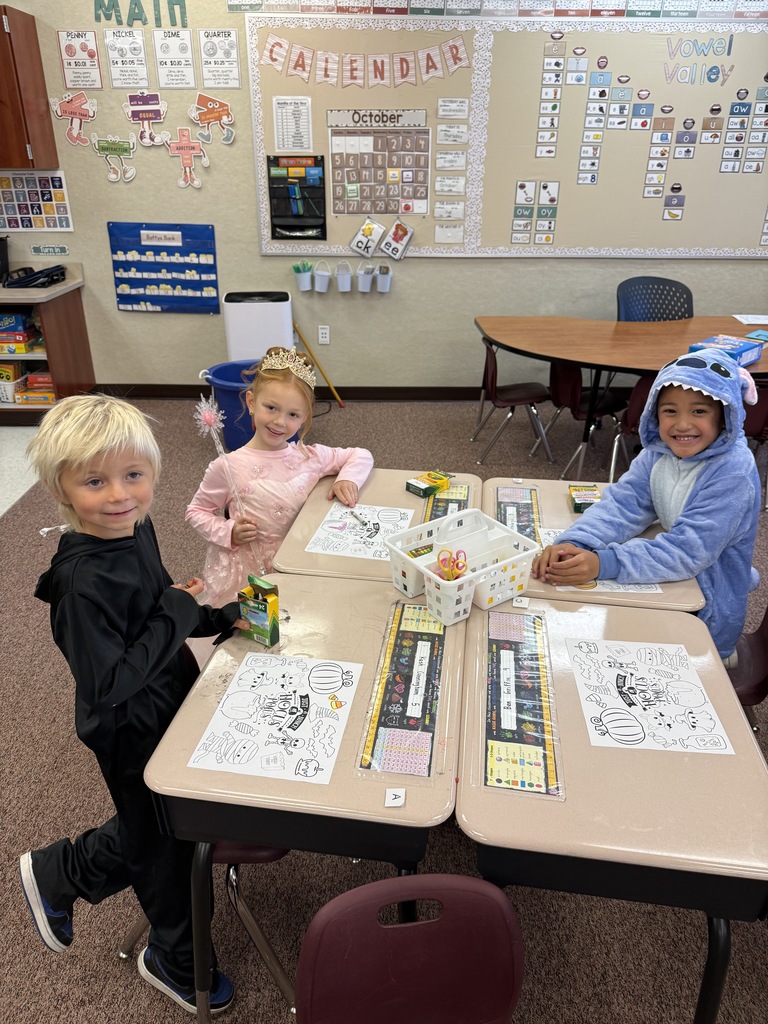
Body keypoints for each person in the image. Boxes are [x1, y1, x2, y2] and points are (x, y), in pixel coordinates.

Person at [19, 394, 245, 1015]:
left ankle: (64, 871)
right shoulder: (81, 585)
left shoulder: (134, 530)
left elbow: (159, 608)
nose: (120, 495)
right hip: (127, 723)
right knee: (164, 845)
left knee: (166, 822)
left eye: (133, 476)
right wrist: (175, 610)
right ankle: (173, 961)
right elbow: (108, 682)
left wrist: (217, 615)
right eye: (95, 481)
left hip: (165, 691)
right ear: (62, 489)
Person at [531, 349, 761, 662]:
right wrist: (576, 542)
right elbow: (623, 505)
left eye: (698, 412)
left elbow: (687, 551)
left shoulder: (733, 472)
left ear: (724, 414)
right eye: (669, 411)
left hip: (707, 613)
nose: (681, 425)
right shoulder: (658, 452)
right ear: (655, 413)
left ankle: (726, 664)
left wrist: (603, 563)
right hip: (674, 585)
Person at [186, 346, 374, 605]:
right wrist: (228, 531)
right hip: (250, 573)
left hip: (300, 560)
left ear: (304, 417)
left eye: (293, 415)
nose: (280, 422)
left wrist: (347, 478)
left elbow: (361, 455)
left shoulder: (310, 456)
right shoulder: (227, 466)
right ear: (252, 403)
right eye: (271, 408)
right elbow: (196, 512)